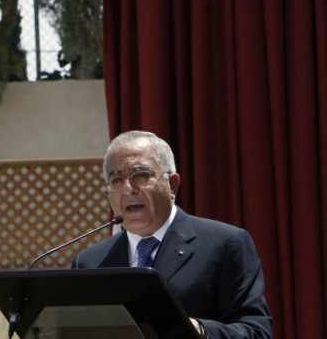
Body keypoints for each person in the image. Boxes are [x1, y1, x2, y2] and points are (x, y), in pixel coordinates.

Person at [72, 130, 272, 338]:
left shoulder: (225, 244)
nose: (128, 189)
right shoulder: (90, 262)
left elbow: (257, 333)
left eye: (141, 175)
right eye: (117, 180)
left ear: (173, 185)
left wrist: (199, 330)